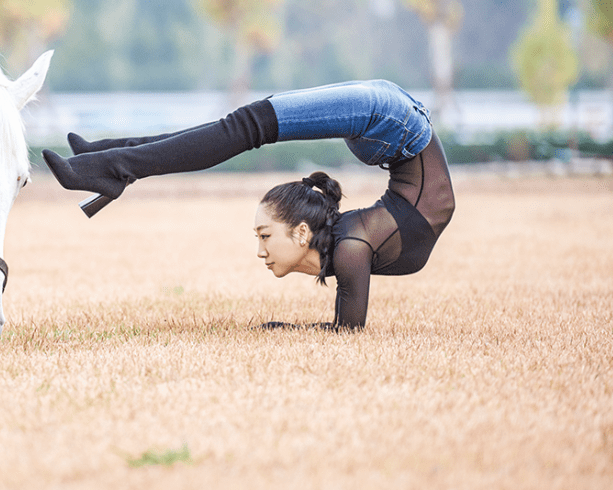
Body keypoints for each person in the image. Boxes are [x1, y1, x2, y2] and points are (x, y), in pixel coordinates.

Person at [42, 80, 456, 330]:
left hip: (391, 122)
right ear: (301, 232)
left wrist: (287, 327)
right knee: (243, 126)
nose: (260, 249)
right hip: (390, 120)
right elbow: (348, 332)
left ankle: (107, 159)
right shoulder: (351, 247)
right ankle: (108, 163)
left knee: (240, 125)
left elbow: (343, 331)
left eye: (264, 236)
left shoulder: (352, 244)